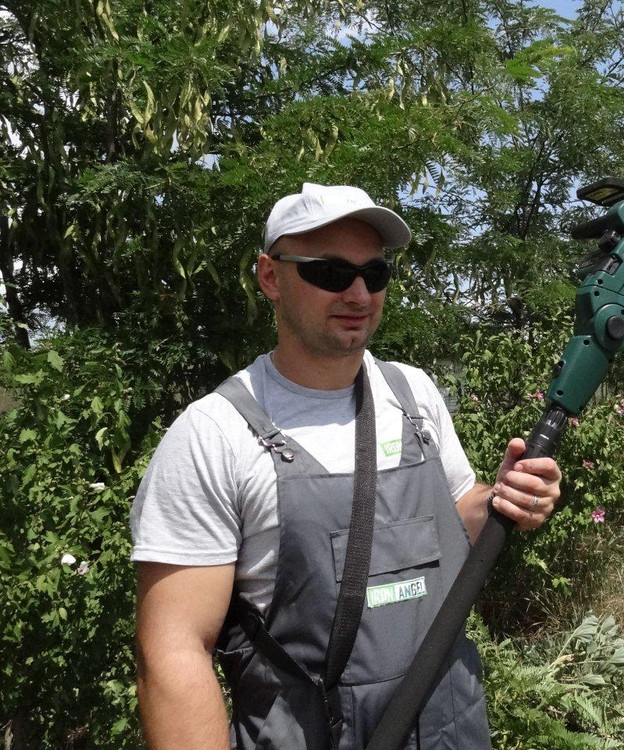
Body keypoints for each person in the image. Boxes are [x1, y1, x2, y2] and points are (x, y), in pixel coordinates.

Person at [131, 183, 563, 750]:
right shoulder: (214, 435)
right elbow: (172, 652)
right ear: (270, 277)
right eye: (330, 273)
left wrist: (507, 497)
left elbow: (457, 518)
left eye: (375, 274)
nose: (358, 292)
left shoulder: (414, 395)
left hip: (452, 729)